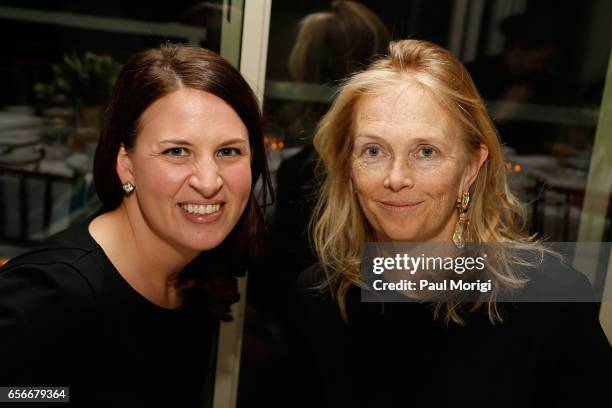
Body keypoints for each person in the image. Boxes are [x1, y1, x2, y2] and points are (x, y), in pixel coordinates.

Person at [292, 39, 611, 407]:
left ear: (471, 167)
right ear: (349, 164)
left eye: (426, 151)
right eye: (374, 151)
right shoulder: (319, 298)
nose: (396, 178)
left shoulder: (550, 300)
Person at [0, 43, 272, 407]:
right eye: (177, 151)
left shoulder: (196, 270)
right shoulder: (52, 298)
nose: (209, 181)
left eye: (228, 151)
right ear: (126, 164)